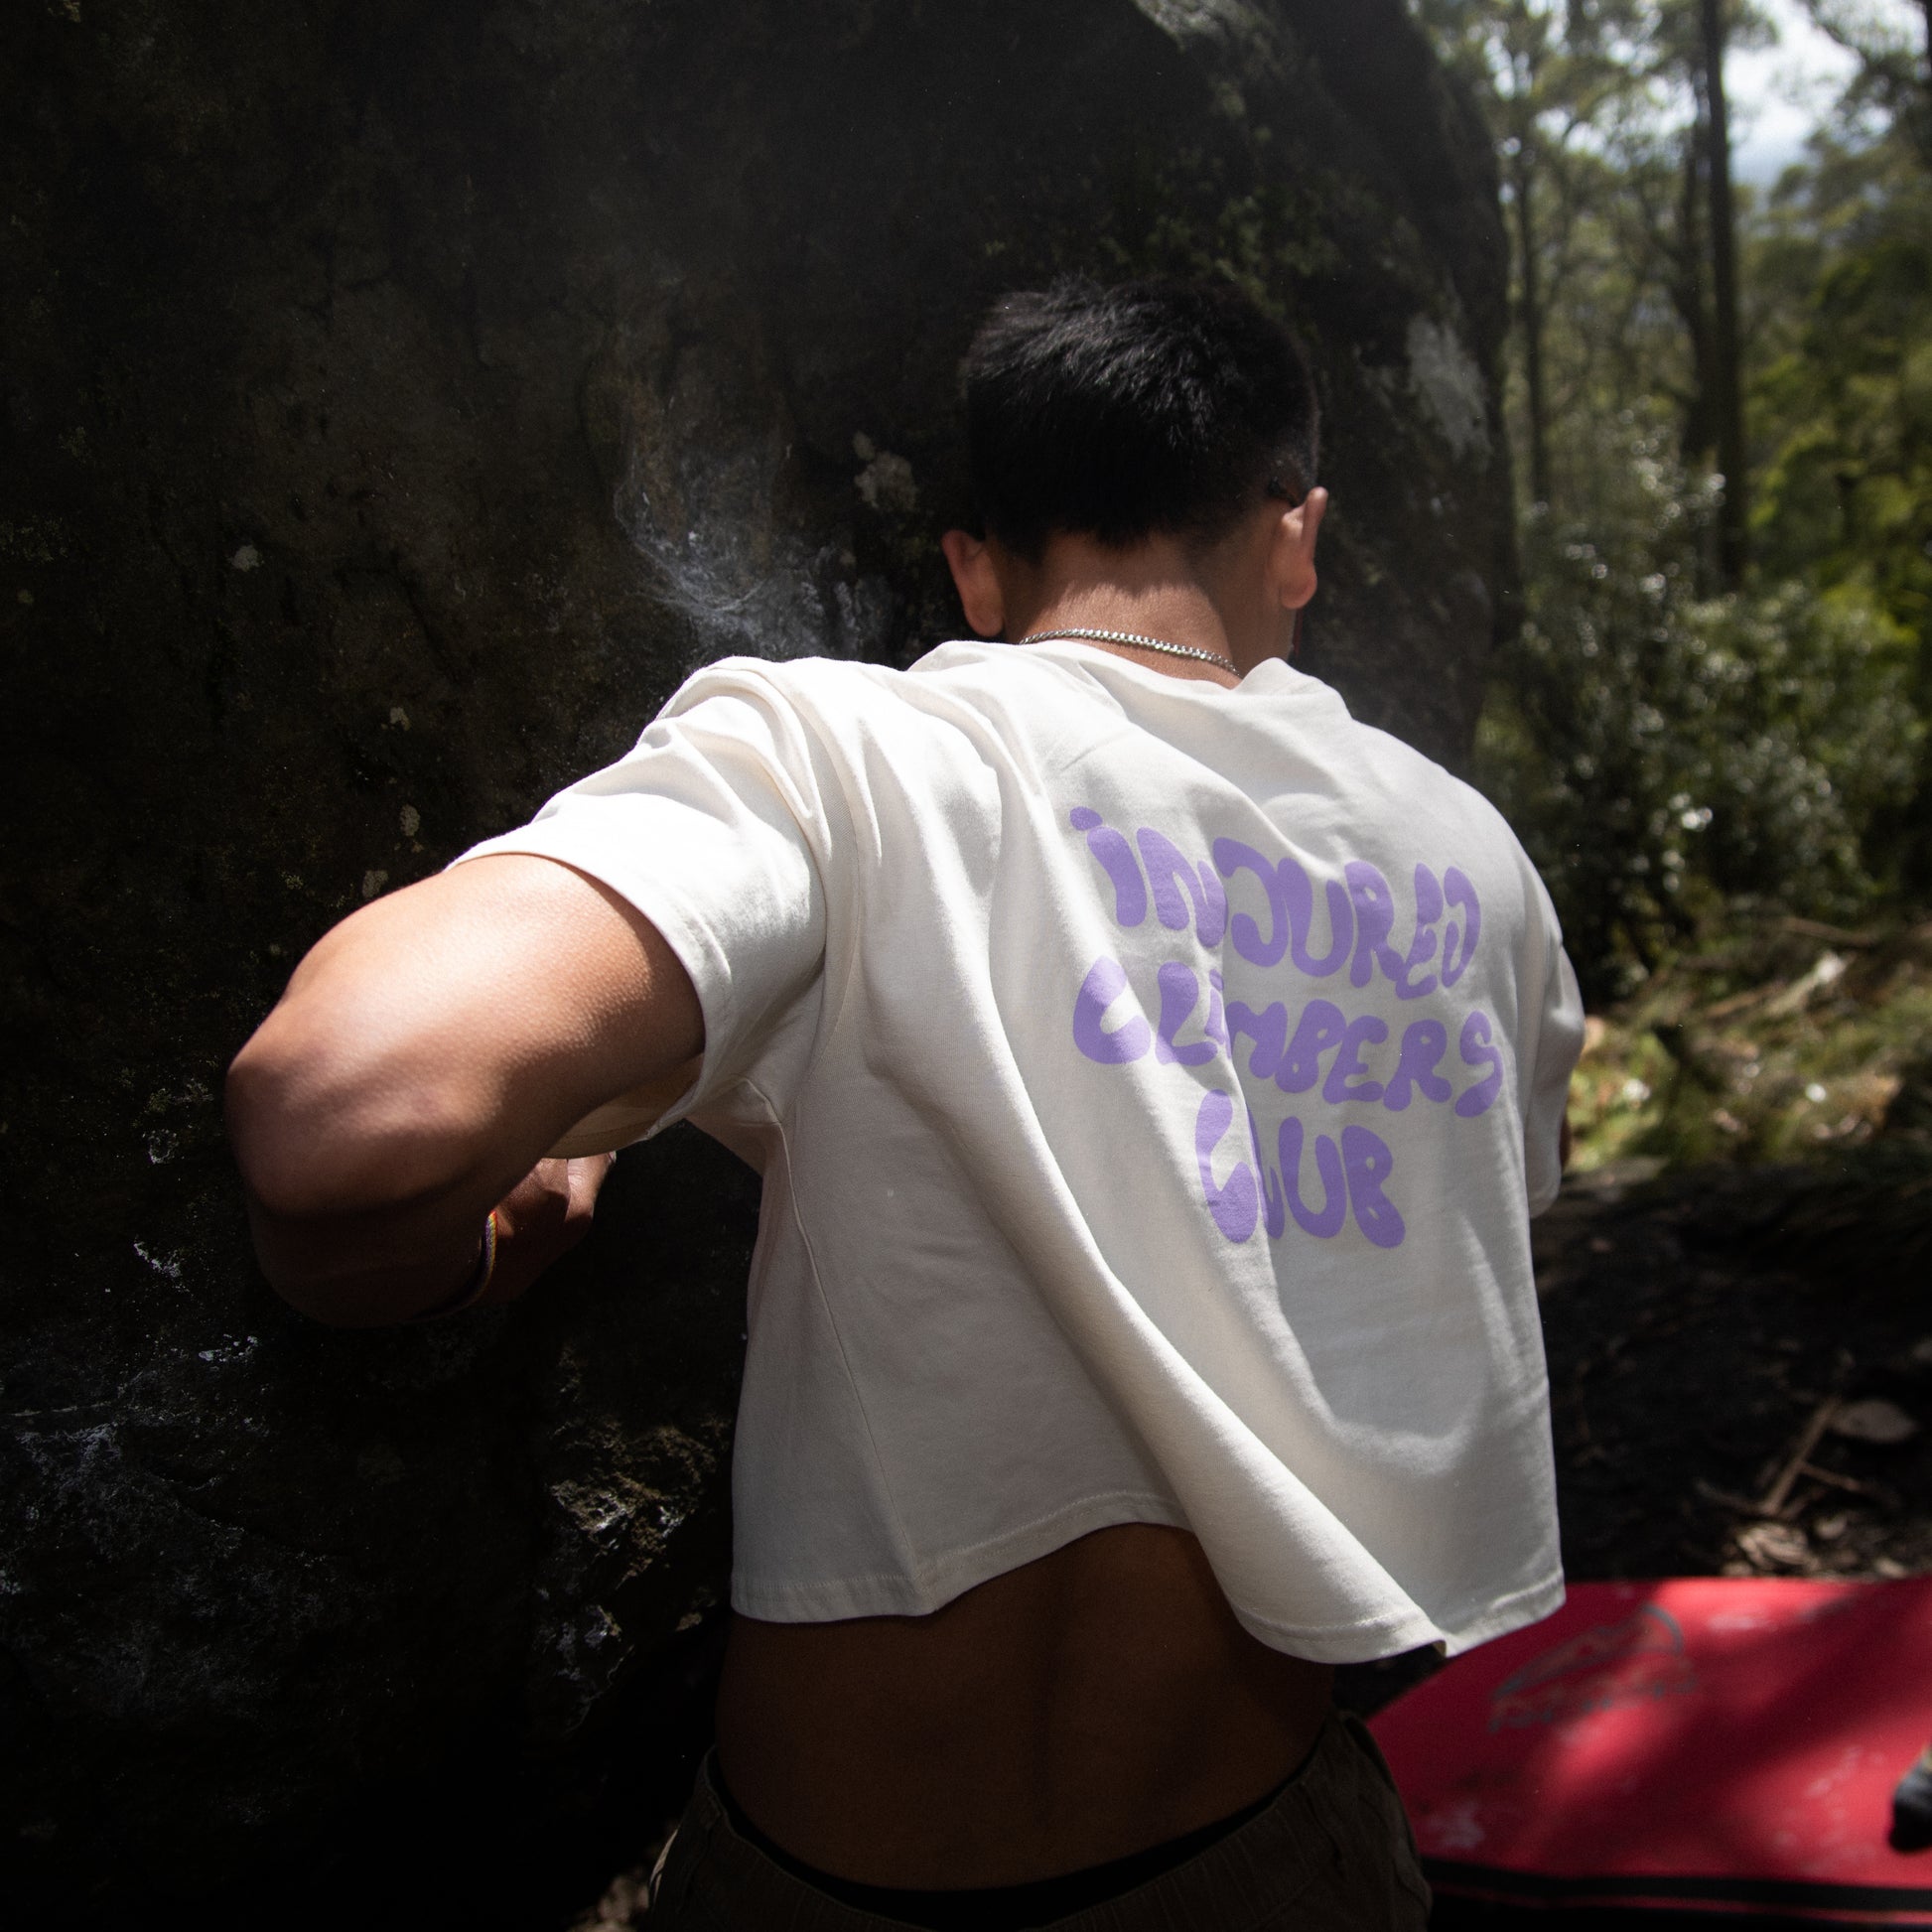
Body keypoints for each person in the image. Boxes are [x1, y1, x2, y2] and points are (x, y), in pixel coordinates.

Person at [228, 277, 1585, 1930]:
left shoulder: (855, 759)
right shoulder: (1470, 863)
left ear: (972, 565)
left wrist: (497, 1223)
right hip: (1270, 1842)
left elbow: (346, 1114)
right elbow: (1467, 1233)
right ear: (1295, 534)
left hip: (841, 1882)